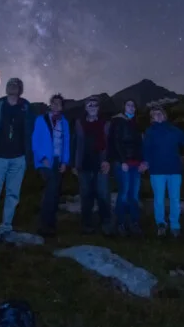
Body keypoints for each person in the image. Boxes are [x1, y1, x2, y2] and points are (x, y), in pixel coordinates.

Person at [0, 77, 33, 251]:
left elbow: (30, 131)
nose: (13, 86)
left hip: (18, 158)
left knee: (13, 195)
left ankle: (6, 228)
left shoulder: (26, 107)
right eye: (10, 84)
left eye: (16, 84)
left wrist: (28, 155)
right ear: (6, 88)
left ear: (20, 89)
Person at [143, 106, 184, 238]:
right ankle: (161, 224)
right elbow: (146, 150)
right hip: (157, 172)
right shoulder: (150, 132)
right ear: (152, 119)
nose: (158, 115)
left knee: (174, 199)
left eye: (160, 113)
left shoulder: (173, 130)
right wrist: (145, 163)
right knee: (159, 199)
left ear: (164, 115)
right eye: (154, 114)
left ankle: (175, 225)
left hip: (174, 170)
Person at [32, 93, 71, 237]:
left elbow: (66, 143)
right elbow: (35, 141)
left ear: (62, 107)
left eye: (59, 104)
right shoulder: (41, 120)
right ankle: (44, 225)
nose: (56, 106)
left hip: (58, 161)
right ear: (50, 104)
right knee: (51, 188)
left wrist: (65, 162)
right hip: (44, 161)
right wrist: (42, 158)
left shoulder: (64, 122)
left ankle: (51, 224)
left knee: (55, 192)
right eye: (53, 103)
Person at [74, 95, 112, 235]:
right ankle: (86, 225)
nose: (92, 107)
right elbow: (75, 144)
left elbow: (111, 144)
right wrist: (74, 163)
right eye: (89, 105)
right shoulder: (79, 124)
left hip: (101, 165)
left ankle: (106, 224)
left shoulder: (105, 124)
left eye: (95, 105)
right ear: (85, 108)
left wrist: (108, 160)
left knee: (103, 196)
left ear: (98, 108)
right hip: (84, 165)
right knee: (86, 196)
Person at [108, 99, 145, 236]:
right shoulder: (118, 122)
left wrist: (142, 161)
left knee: (134, 195)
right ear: (123, 107)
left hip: (136, 164)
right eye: (128, 105)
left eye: (133, 105)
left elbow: (140, 144)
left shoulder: (136, 124)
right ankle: (120, 223)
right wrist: (123, 161)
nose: (131, 107)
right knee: (123, 194)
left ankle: (134, 222)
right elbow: (116, 142)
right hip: (123, 163)